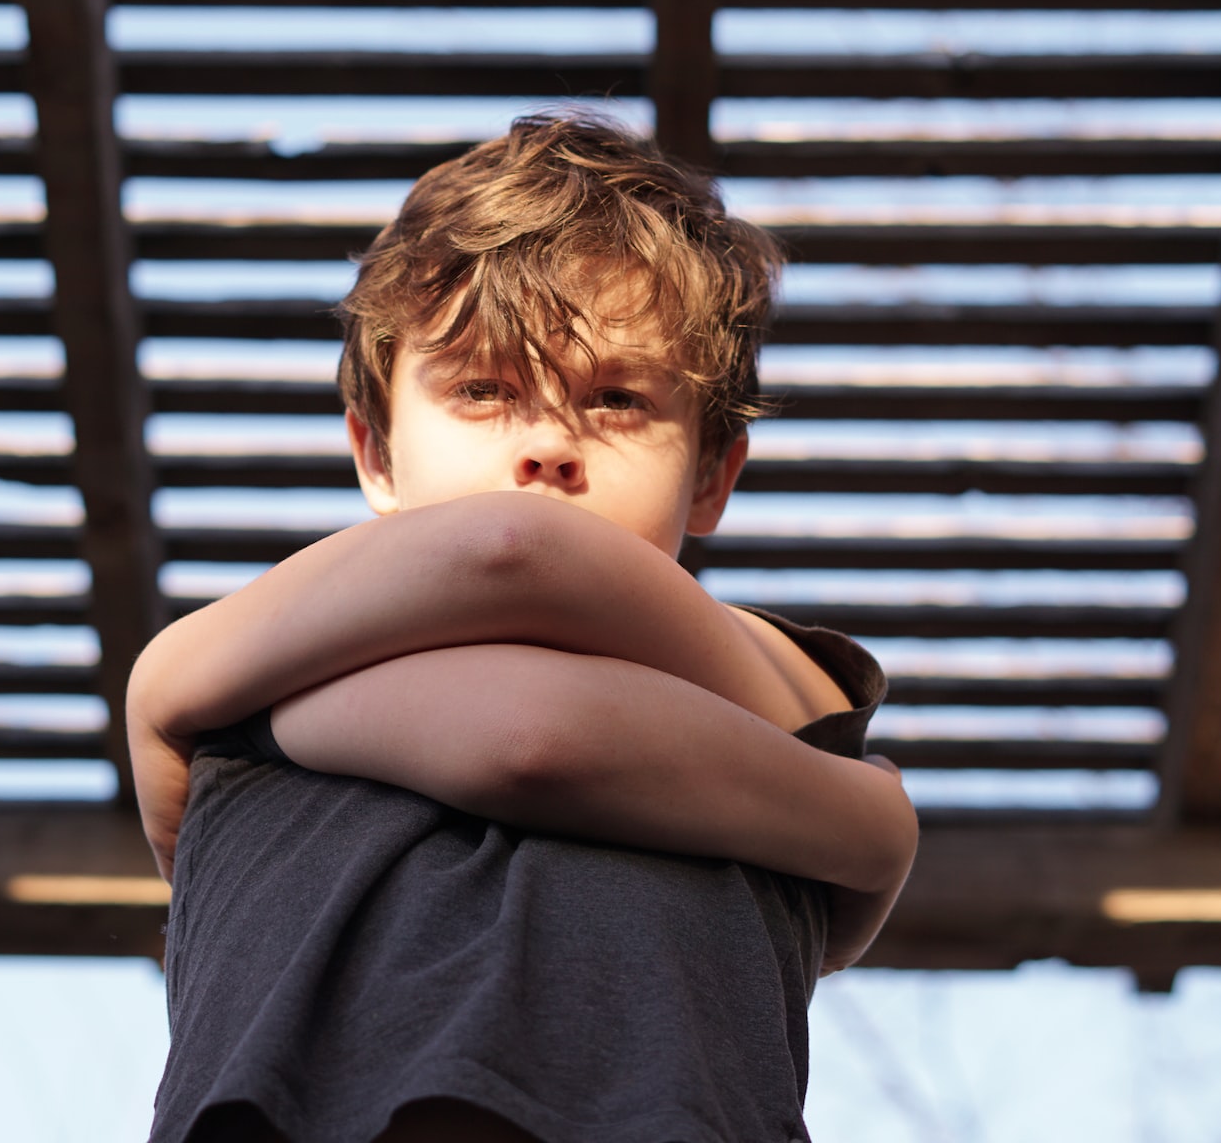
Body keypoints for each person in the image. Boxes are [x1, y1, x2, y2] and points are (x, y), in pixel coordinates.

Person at [126, 112, 919, 1143]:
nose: (547, 444)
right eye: (483, 387)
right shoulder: (234, 689)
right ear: (375, 452)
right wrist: (874, 830)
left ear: (713, 474)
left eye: (619, 399)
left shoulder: (780, 685)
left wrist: (211, 700)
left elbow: (524, 683)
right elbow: (522, 673)